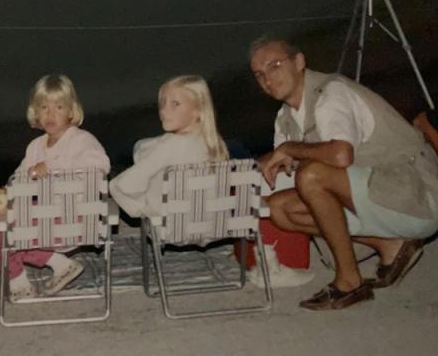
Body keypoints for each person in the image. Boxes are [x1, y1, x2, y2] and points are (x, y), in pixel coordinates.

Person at [249, 35, 438, 310]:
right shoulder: (285, 118)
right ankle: (389, 244)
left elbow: (340, 155)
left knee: (311, 176)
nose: (267, 78)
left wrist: (290, 148)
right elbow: (284, 166)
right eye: (259, 74)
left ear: (299, 62)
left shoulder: (330, 94)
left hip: (418, 197)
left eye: (275, 65)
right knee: (280, 208)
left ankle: (349, 281)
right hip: (381, 198)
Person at [0, 74, 111, 301]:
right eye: (44, 107)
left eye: (59, 107)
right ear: (35, 113)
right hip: (44, 219)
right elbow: (19, 179)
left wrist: (51, 166)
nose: (50, 114)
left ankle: (19, 281)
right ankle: (59, 265)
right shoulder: (35, 147)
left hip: (75, 219)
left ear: (71, 111)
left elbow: (101, 165)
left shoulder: (81, 140)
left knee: (5, 230)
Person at [110, 74, 228, 218]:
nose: (164, 111)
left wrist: (140, 206)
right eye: (162, 103)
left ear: (198, 110)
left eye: (175, 104)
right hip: (213, 224)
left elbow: (126, 186)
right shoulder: (216, 143)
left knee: (118, 184)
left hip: (174, 227)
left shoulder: (171, 145)